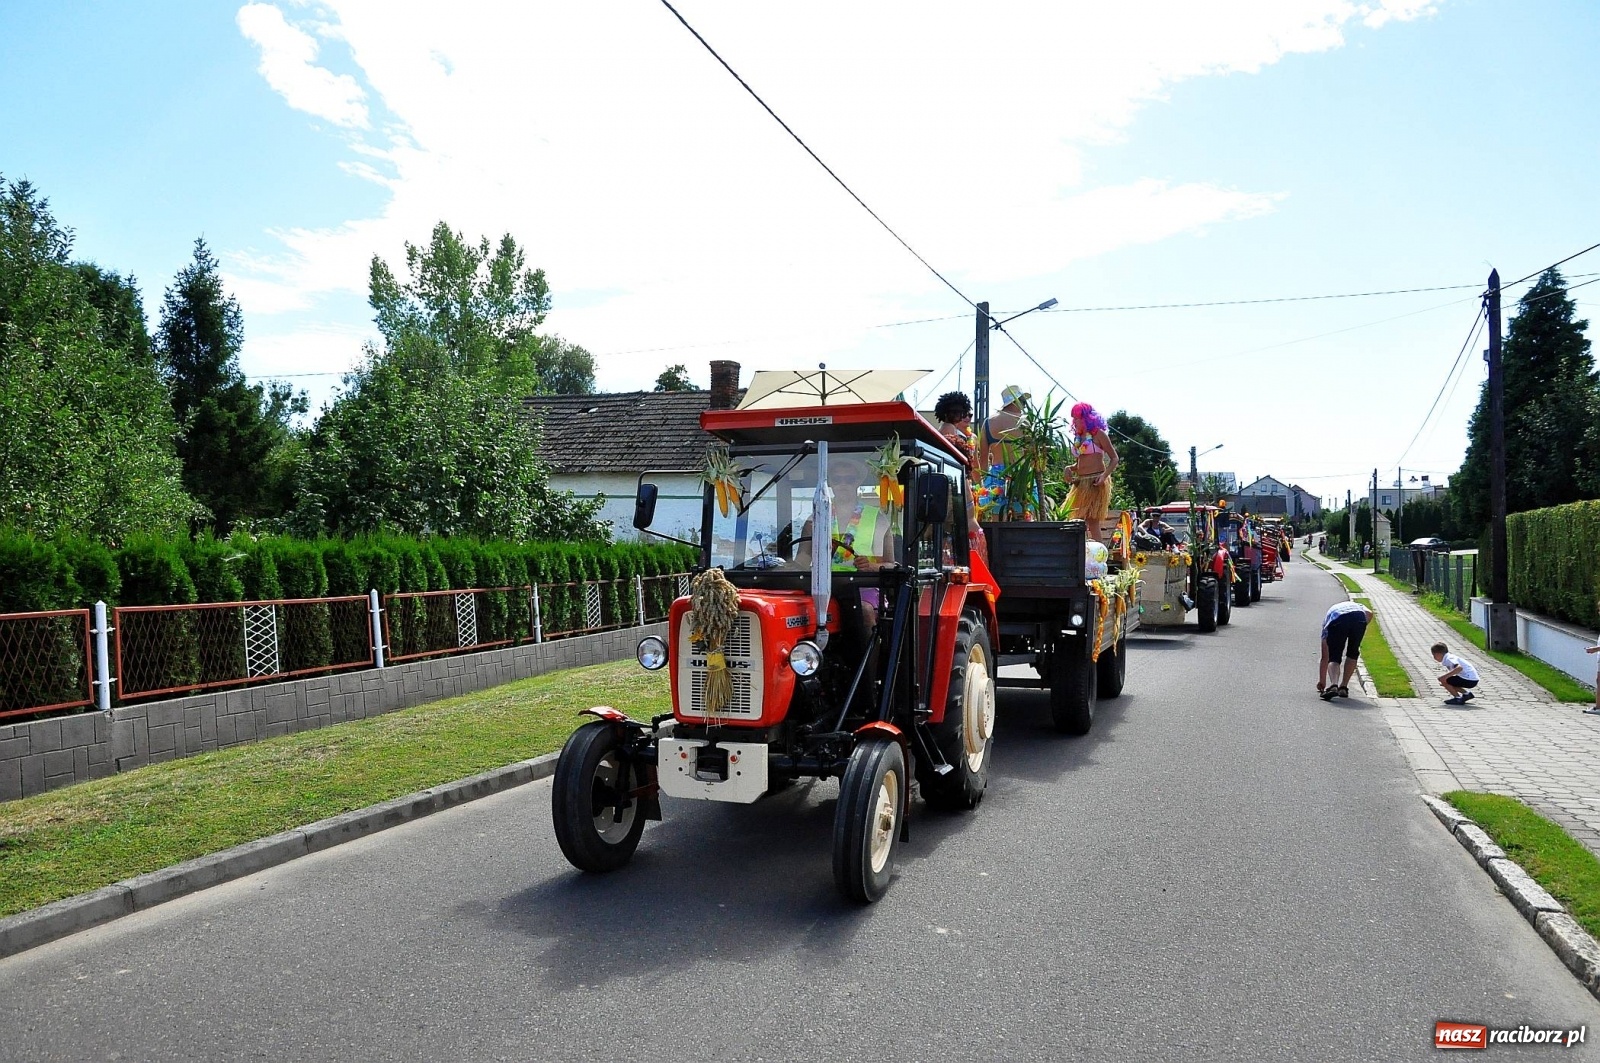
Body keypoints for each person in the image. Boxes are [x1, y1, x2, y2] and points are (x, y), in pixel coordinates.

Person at [1065, 401, 1119, 543]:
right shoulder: (1079, 437)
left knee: (1092, 521)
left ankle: (1099, 559)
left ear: (1086, 418)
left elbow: (1114, 458)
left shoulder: (1099, 435)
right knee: (1077, 520)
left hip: (1095, 481)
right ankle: (1082, 553)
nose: (1074, 421)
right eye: (1073, 418)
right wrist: (1069, 469)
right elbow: (1079, 463)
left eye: (1077, 418)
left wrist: (1104, 476)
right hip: (1081, 482)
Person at [1318, 599, 1373, 699]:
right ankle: (1343, 687)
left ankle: (1334, 684)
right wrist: (1360, 627)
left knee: (1334, 656)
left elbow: (1325, 657)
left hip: (1338, 619)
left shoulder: (1328, 621)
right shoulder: (1359, 606)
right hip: (1359, 618)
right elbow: (1369, 613)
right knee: (1353, 653)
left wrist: (1322, 681)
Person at [933, 390, 975, 463]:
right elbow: (953, 452)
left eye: (961, 412)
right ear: (945, 413)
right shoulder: (948, 427)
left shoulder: (949, 427)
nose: (957, 414)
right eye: (954, 411)